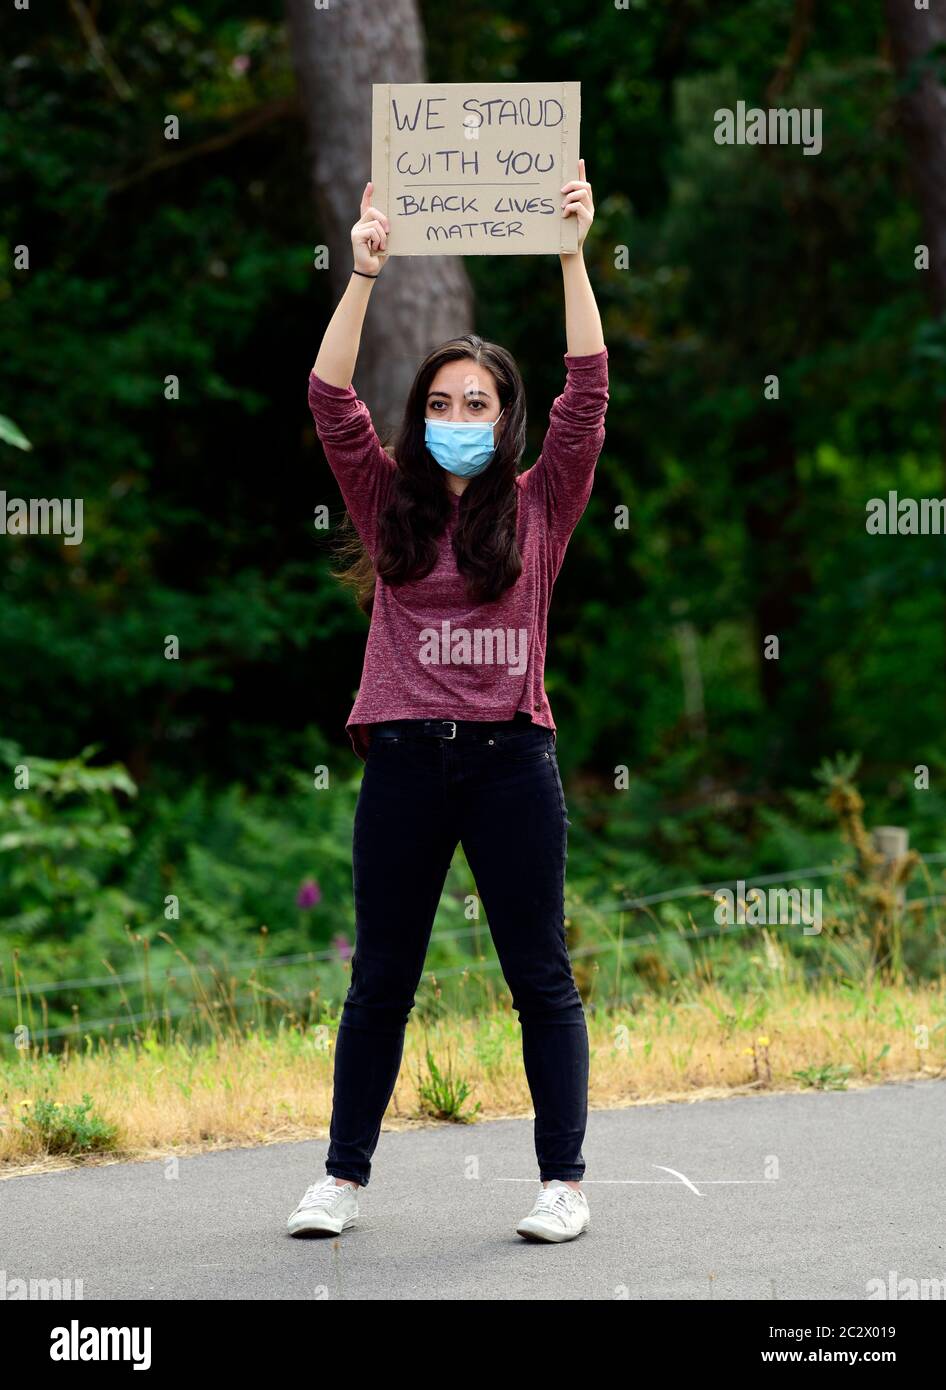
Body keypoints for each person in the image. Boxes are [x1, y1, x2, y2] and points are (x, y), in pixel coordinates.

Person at [287, 159, 608, 1244]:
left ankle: (561, 1181)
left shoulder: (542, 502)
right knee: (381, 978)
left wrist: (570, 251)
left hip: (511, 761)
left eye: (476, 402)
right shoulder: (387, 500)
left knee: (539, 975)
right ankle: (342, 1178)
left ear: (504, 418)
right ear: (419, 415)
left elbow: (588, 389)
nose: (457, 414)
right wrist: (364, 274)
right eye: (439, 401)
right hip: (407, 765)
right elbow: (329, 401)